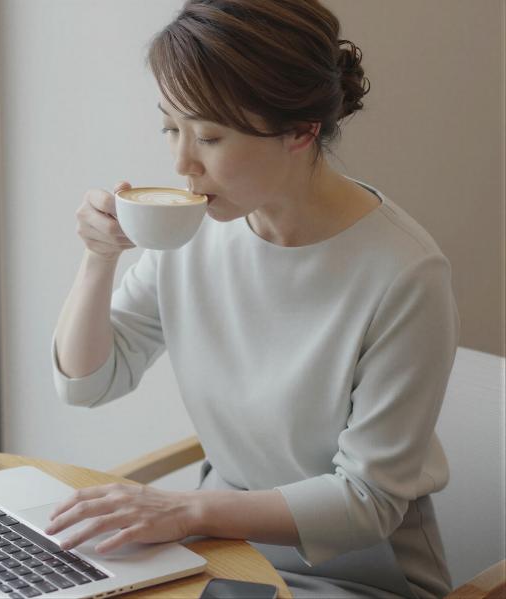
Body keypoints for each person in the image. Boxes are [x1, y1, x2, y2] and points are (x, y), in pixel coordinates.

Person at [47, 1, 459, 597]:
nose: (182, 164)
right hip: (220, 556)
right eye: (171, 127)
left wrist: (187, 511)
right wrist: (99, 257)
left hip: (356, 577)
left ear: (301, 131)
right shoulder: (192, 232)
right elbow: (86, 383)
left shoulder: (405, 274)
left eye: (210, 136)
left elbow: (367, 502)